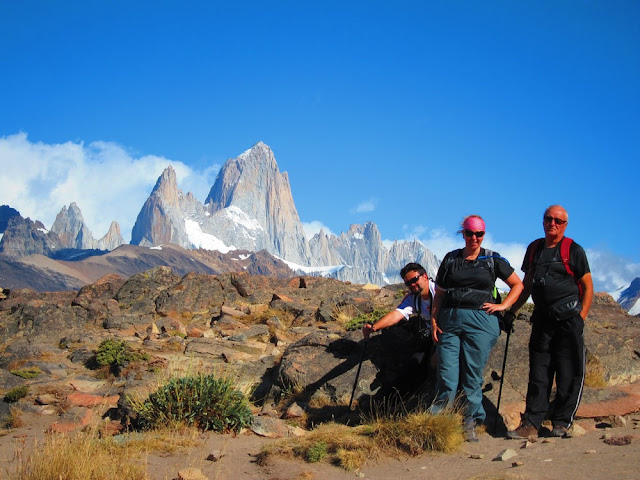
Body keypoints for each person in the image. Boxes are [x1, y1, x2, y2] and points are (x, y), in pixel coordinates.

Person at [430, 215, 523, 442]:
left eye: (479, 233)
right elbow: (440, 293)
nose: (474, 238)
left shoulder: (493, 260)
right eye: (470, 233)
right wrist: (433, 320)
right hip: (449, 320)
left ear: (484, 234)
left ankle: (470, 420)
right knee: (447, 373)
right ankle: (438, 421)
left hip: (481, 321)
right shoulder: (451, 259)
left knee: (472, 374)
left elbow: (517, 285)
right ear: (463, 233)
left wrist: (503, 306)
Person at [506, 205, 593, 439]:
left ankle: (562, 422)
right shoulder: (534, 249)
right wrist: (511, 310)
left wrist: (580, 318)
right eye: (548, 219)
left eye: (558, 220)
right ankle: (532, 423)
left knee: (568, 370)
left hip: (568, 320)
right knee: (539, 373)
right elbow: (527, 284)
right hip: (542, 320)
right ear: (542, 221)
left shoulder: (573, 250)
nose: (552, 223)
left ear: (565, 225)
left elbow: (587, 286)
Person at [362, 263, 437, 393]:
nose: (412, 285)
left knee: (436, 363)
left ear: (425, 276)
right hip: (431, 335)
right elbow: (397, 314)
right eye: (408, 283)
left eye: (414, 280)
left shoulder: (439, 291)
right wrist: (374, 327)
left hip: (447, 334)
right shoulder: (412, 298)